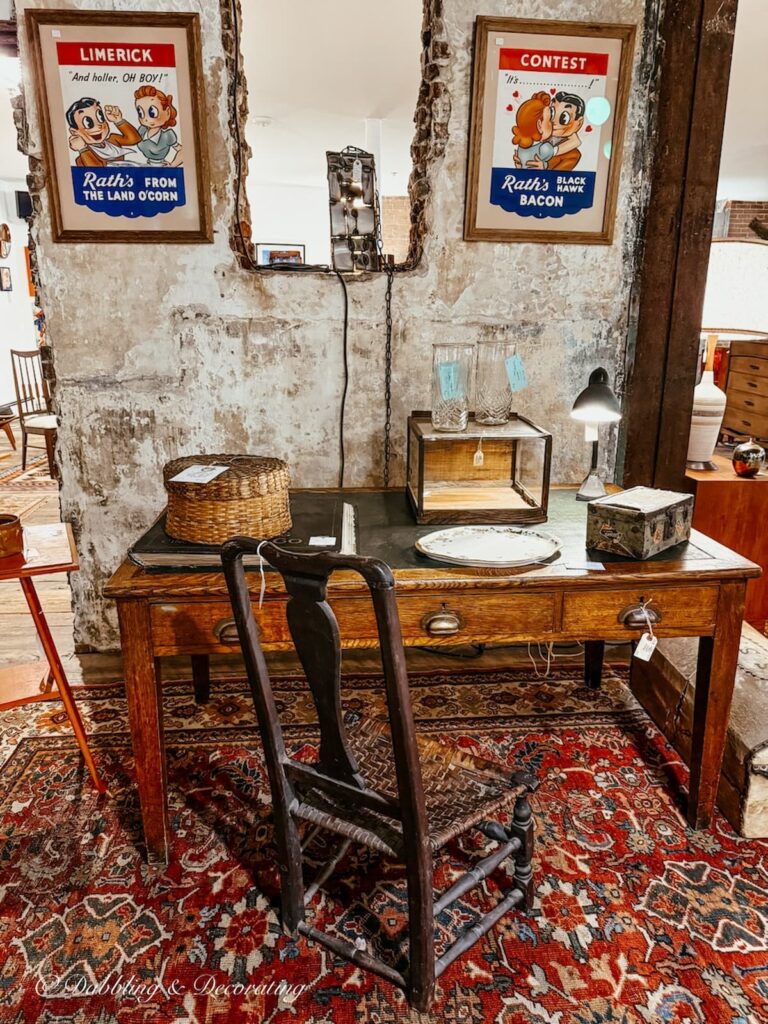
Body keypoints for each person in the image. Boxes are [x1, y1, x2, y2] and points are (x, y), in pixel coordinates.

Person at [66, 98, 140, 167]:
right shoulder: (84, 157)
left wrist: (118, 121)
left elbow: (135, 139)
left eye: (100, 118)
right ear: (74, 132)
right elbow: (96, 171)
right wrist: (82, 149)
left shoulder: (113, 140)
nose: (99, 126)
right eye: (88, 123)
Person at [134, 86, 183, 167]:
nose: (146, 119)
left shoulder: (167, 135)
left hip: (162, 169)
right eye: (140, 113)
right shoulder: (142, 130)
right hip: (146, 166)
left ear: (167, 112)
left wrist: (173, 165)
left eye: (152, 113)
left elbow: (183, 150)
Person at [512, 91, 555, 169]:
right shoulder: (545, 148)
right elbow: (553, 151)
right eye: (549, 120)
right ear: (539, 125)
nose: (552, 124)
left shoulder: (521, 146)